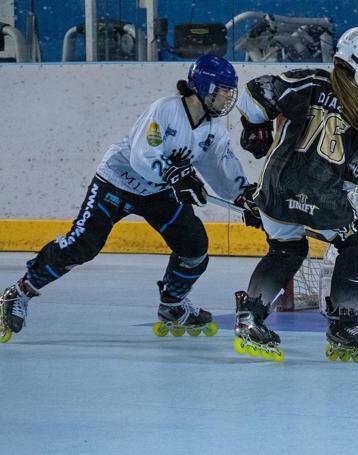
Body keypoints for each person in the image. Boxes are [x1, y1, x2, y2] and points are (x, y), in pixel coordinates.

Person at [0, 55, 261, 343]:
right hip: (116, 183)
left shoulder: (213, 130)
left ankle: (172, 304)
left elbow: (221, 168)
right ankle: (19, 292)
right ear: (203, 86)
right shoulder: (166, 110)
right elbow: (142, 156)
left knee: (194, 246)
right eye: (222, 89)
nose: (227, 97)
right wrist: (175, 175)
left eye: (229, 90)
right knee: (81, 246)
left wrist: (243, 197)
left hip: (158, 193)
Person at [232, 27, 358, 363]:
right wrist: (324, 208)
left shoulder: (308, 80)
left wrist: (253, 129)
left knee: (287, 248)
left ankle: (250, 316)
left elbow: (251, 99)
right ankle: (344, 325)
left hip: (273, 190)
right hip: (321, 196)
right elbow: (350, 180)